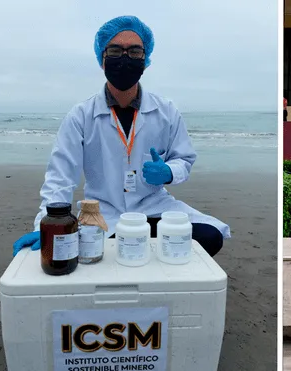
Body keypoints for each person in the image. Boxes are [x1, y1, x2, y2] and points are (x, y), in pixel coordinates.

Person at [13, 15, 230, 258]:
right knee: (101, 249)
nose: (125, 58)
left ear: (146, 60)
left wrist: (169, 172)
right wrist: (45, 223)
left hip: (154, 207)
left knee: (211, 236)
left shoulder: (166, 111)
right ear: (102, 59)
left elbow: (184, 160)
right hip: (104, 213)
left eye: (135, 51)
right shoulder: (81, 116)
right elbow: (60, 177)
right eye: (115, 50)